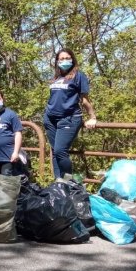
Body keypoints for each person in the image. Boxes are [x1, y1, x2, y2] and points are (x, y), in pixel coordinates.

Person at [44, 48, 97, 180]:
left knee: (60, 151)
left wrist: (92, 117)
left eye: (67, 58)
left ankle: (69, 182)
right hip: (50, 119)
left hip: (69, 118)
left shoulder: (79, 76)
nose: (64, 61)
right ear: (57, 61)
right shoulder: (57, 77)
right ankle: (58, 183)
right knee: (55, 152)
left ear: (72, 59)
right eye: (61, 59)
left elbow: (84, 100)